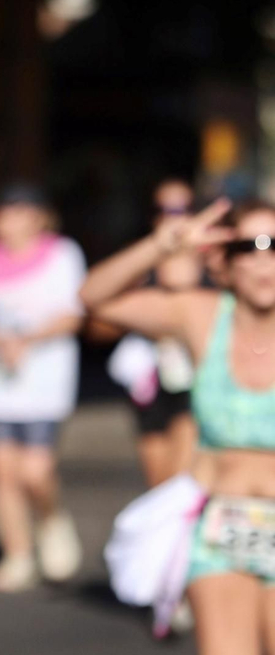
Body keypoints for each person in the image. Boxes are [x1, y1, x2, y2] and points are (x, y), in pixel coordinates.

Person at [81, 198, 275, 655]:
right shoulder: (200, 316)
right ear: (223, 260)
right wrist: (161, 245)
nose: (263, 257)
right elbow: (93, 297)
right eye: (247, 243)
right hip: (221, 528)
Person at [0, 182, 87, 592]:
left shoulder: (63, 254)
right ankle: (18, 551)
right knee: (1, 471)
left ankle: (50, 518)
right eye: (1, 213)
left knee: (36, 469)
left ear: (38, 217)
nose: (6, 222)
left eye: (16, 212)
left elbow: (72, 314)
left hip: (44, 380)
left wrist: (26, 340)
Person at [102, 179, 202, 487]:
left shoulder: (215, 263)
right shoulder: (139, 267)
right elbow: (95, 316)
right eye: (163, 210)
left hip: (197, 379)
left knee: (181, 481)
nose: (173, 218)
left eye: (183, 209)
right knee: (158, 484)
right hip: (152, 379)